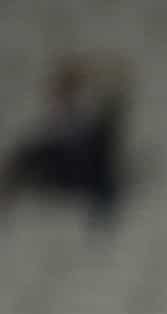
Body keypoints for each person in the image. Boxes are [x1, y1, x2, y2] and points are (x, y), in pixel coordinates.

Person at [1, 55, 130, 223]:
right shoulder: (41, 148)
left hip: (87, 171)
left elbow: (120, 79)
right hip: (76, 171)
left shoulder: (95, 131)